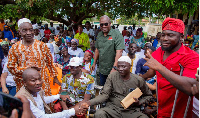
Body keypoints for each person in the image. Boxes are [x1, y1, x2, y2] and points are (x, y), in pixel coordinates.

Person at [141, 17, 199, 118]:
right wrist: (139, 78)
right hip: (160, 110)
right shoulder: (158, 52)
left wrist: (159, 67)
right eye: (163, 35)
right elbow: (151, 73)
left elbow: (191, 87)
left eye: (170, 35)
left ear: (181, 36)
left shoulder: (191, 56)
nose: (165, 38)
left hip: (179, 113)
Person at [82, 56, 152, 118]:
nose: (120, 69)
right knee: (99, 114)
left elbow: (148, 95)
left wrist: (139, 102)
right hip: (113, 109)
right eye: (119, 66)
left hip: (131, 111)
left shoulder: (138, 80)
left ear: (130, 66)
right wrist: (89, 103)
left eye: (124, 67)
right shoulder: (112, 76)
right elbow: (104, 95)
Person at [7, 18, 60, 96]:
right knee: (27, 106)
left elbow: (50, 63)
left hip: (42, 84)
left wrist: (55, 77)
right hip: (23, 85)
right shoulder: (15, 48)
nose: (28, 33)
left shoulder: (42, 45)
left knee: (44, 104)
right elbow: (11, 67)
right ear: (19, 32)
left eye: (31, 30)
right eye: (24, 30)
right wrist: (27, 70)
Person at [15, 67, 82, 118]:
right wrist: (71, 112)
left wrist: (59, 96)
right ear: (25, 83)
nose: (38, 83)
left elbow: (42, 100)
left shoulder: (36, 90)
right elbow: (42, 117)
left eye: (39, 79)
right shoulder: (24, 98)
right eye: (33, 80)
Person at [91, 15, 125, 86]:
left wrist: (114, 67)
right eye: (101, 24)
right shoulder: (99, 35)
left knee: (113, 89)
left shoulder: (117, 35)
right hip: (102, 68)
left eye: (106, 24)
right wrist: (94, 62)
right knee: (103, 88)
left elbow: (119, 52)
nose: (103, 26)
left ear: (110, 24)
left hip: (112, 69)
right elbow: (97, 49)